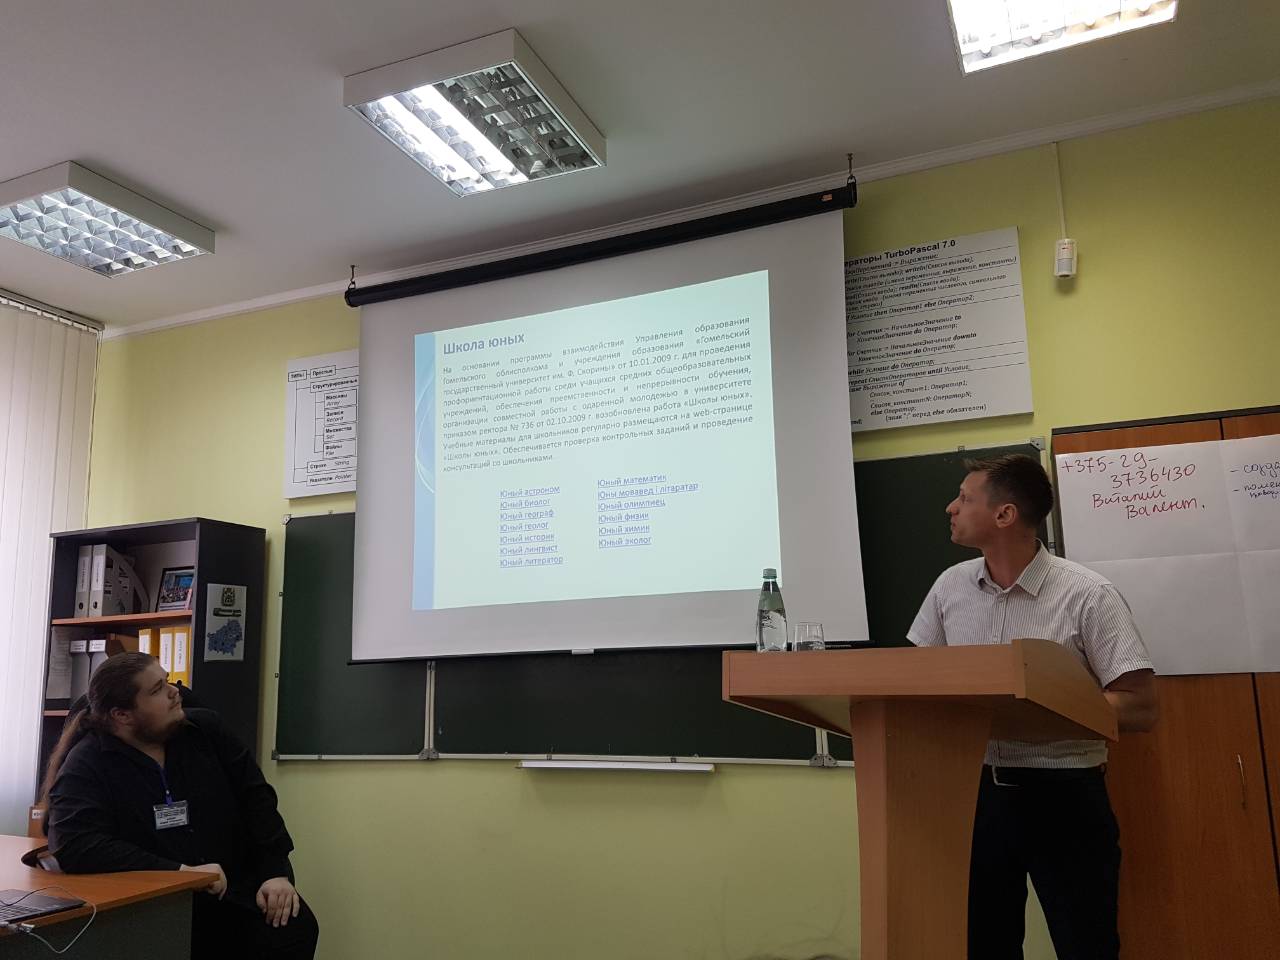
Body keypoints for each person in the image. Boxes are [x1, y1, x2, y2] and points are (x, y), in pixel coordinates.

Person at [907, 454, 1158, 960]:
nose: (951, 507)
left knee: (1085, 944)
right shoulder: (949, 586)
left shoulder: (1089, 594)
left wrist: (1045, 708)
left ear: (1005, 515)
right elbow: (918, 680)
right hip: (975, 795)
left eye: (965, 498)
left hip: (1064, 796)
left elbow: (1140, 707)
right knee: (984, 944)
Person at [41, 652, 319, 960]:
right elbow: (74, 844)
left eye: (168, 680)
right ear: (122, 715)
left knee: (294, 929)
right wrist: (178, 873)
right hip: (159, 901)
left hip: (233, 888)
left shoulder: (206, 730)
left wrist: (274, 873)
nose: (175, 691)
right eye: (157, 689)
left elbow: (257, 799)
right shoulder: (88, 761)